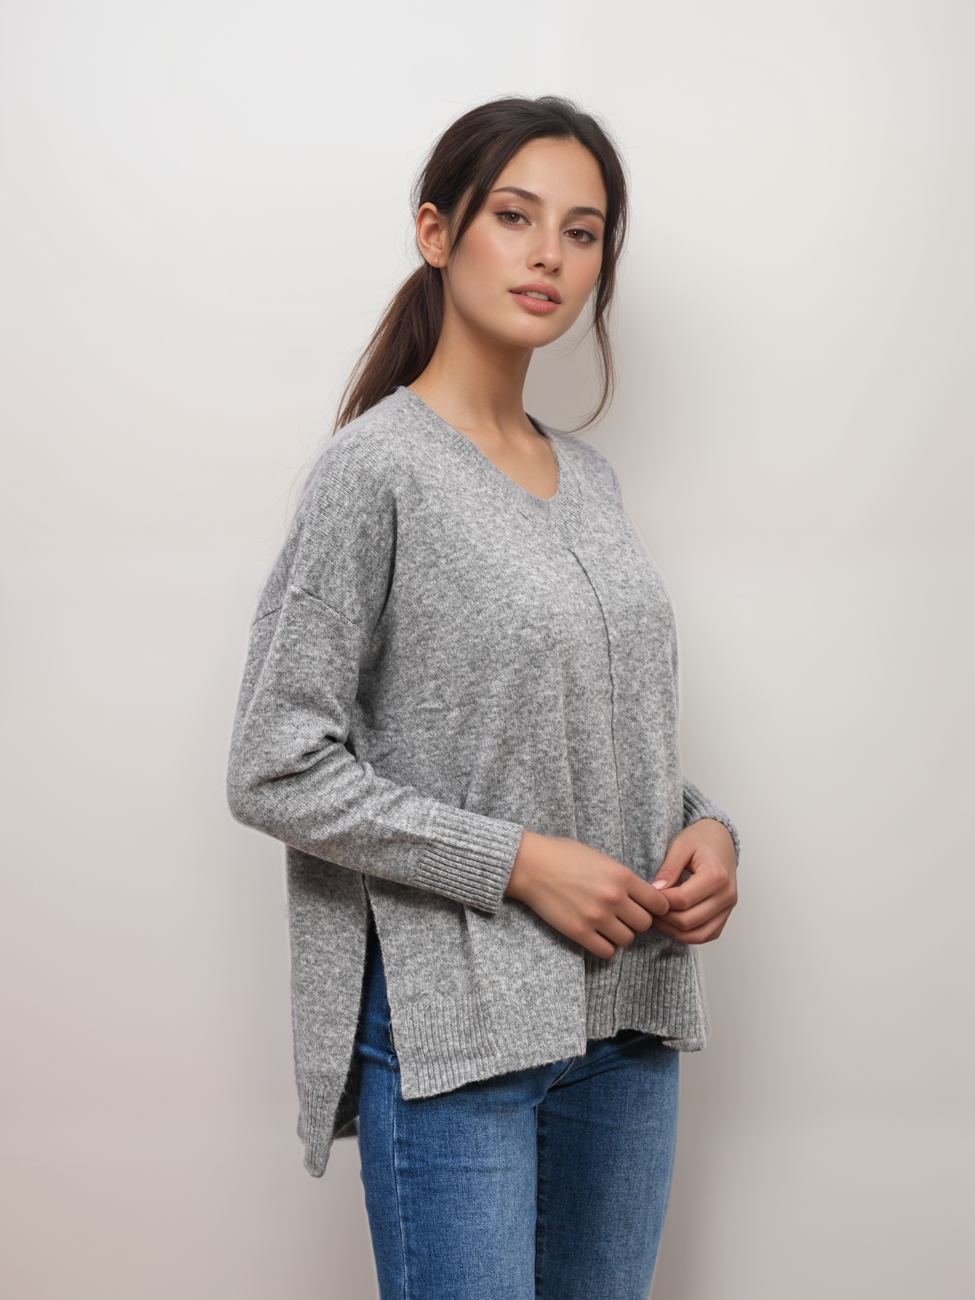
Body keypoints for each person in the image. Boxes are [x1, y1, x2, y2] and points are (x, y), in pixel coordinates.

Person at [227, 95, 739, 1300]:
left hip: (627, 1019)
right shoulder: (376, 469)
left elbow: (586, 727)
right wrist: (516, 863)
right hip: (458, 1033)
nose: (549, 253)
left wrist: (706, 827)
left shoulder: (592, 481)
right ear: (437, 232)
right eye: (514, 216)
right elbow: (274, 760)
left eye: (582, 231)